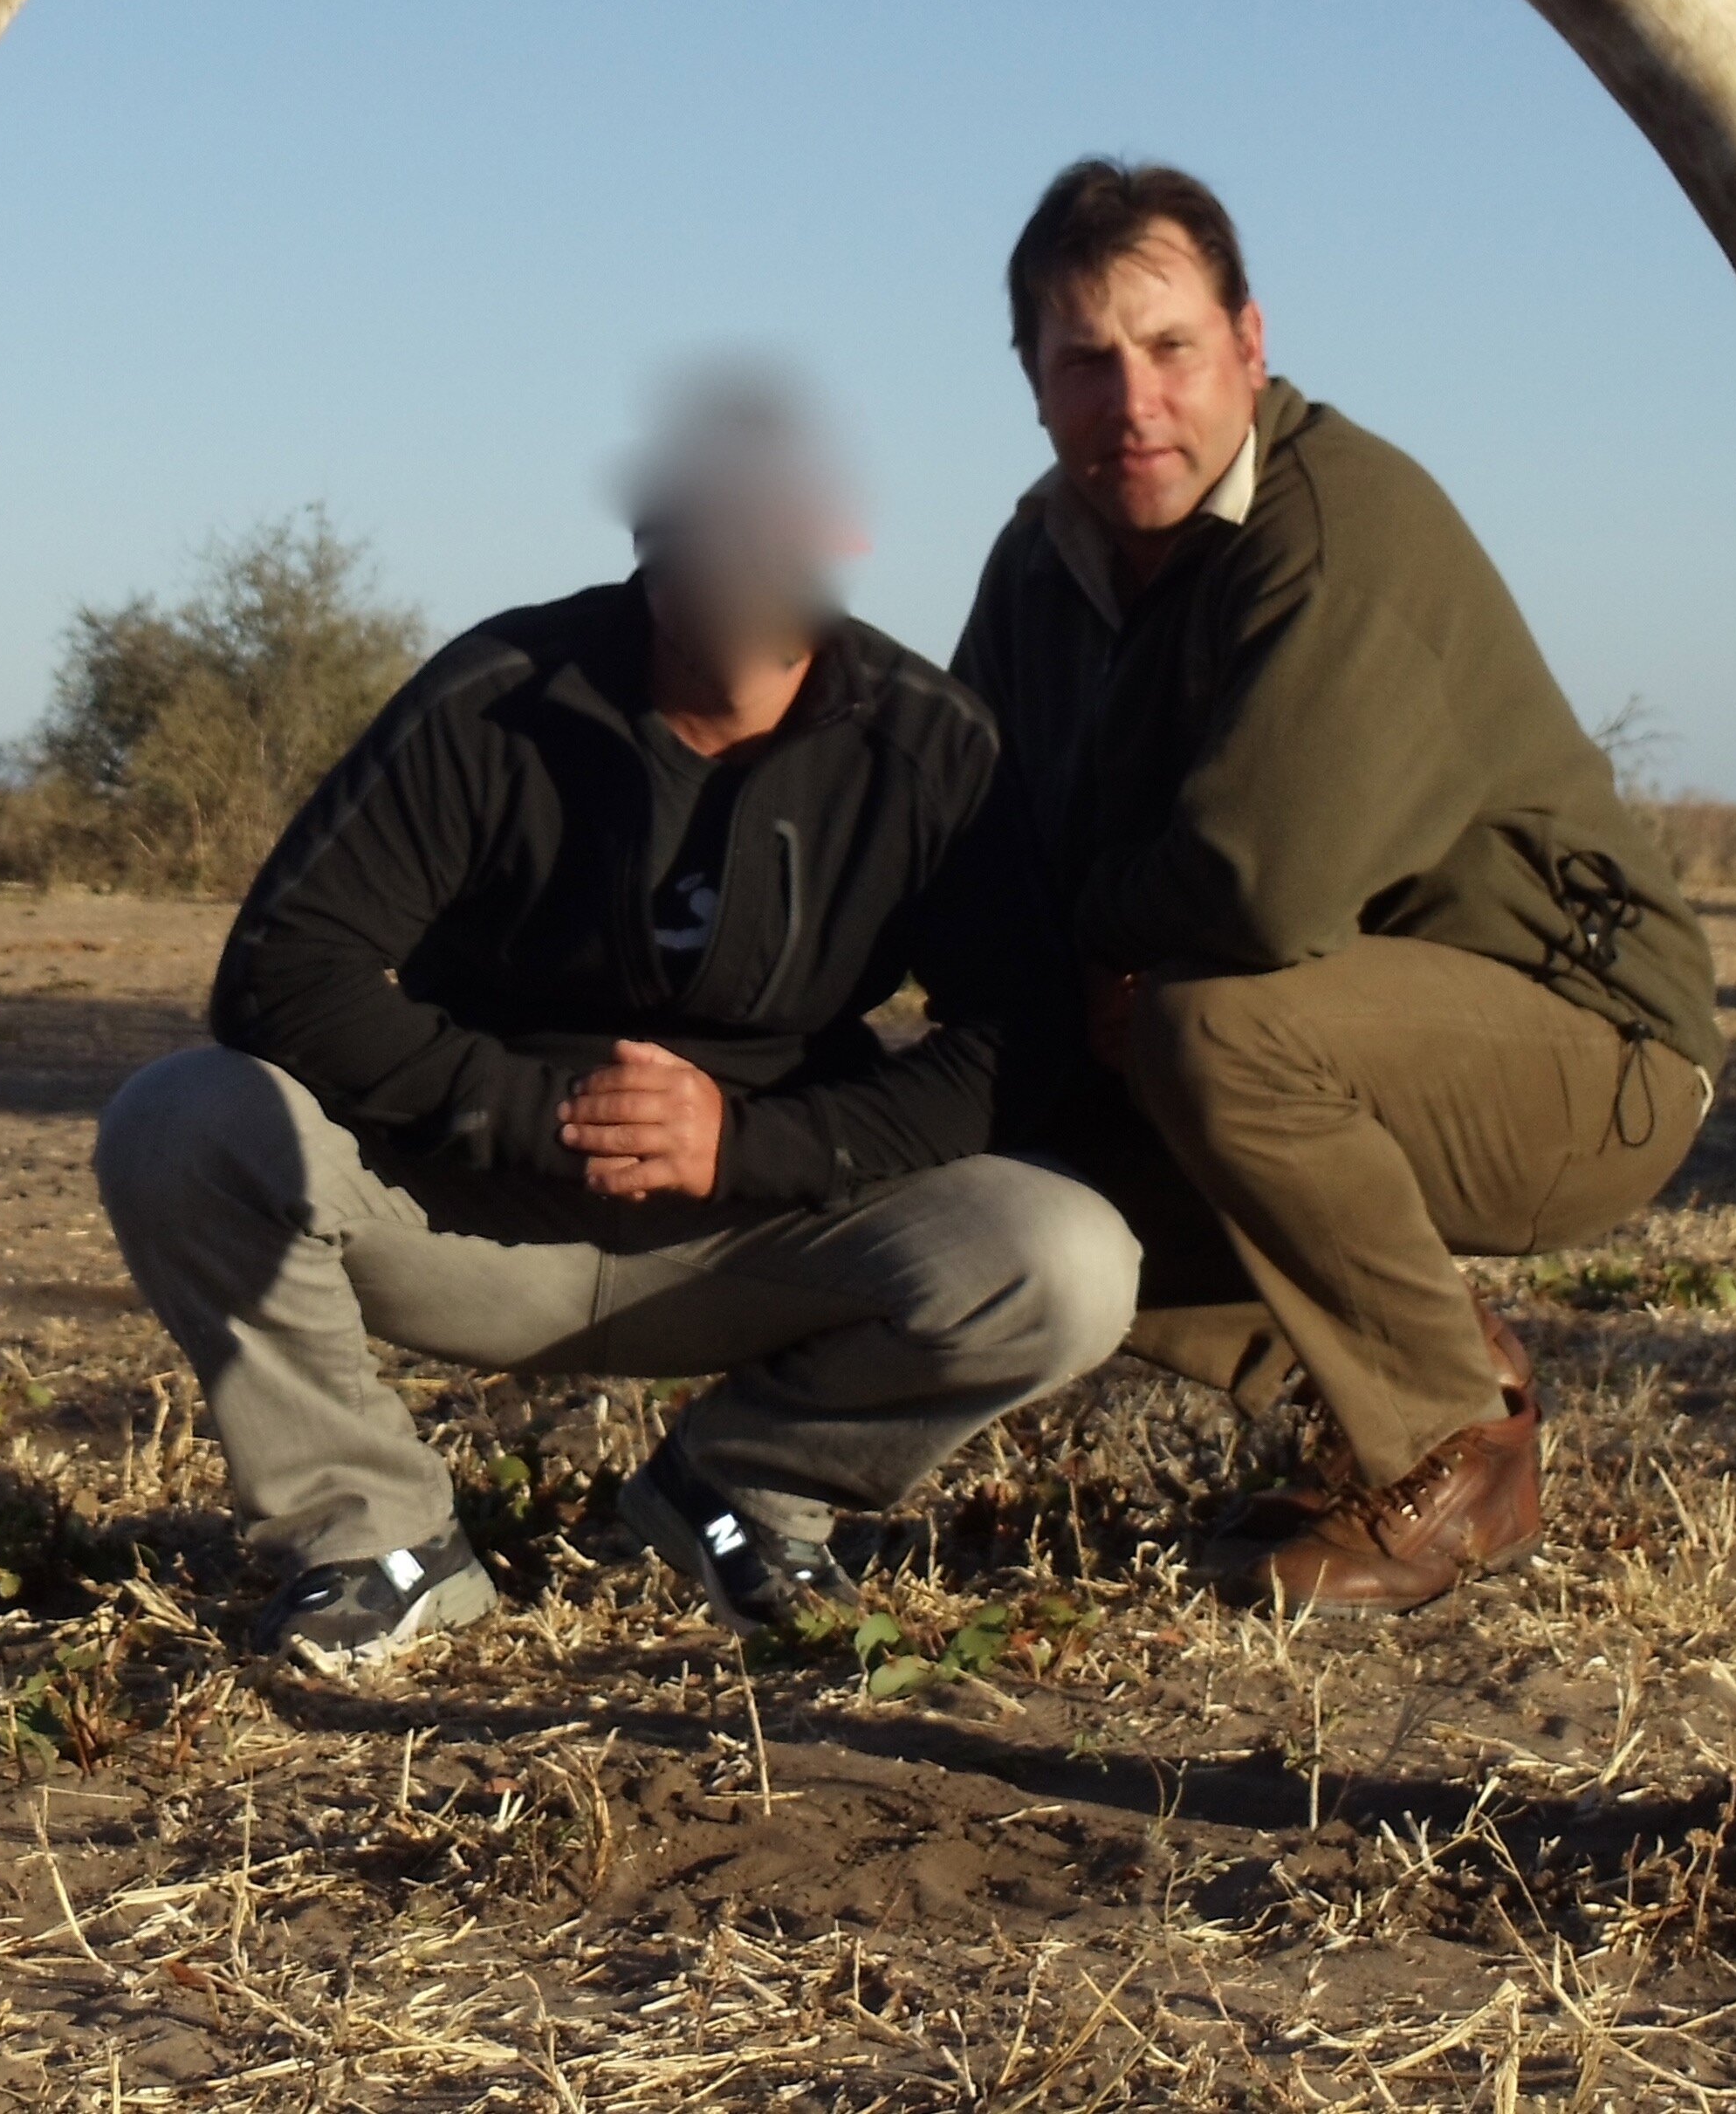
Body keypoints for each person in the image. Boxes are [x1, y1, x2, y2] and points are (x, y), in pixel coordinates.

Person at [97, 375, 1138, 1672]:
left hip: (752, 1236)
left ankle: (742, 1489)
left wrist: (742, 1145)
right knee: (180, 1123)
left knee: (1065, 1256)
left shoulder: (930, 748)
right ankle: (377, 1542)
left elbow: (1016, 1044)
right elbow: (281, 973)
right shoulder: (497, 693)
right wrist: (527, 1110)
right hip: (469, 1213)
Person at [952, 160, 1723, 1616]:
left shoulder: (1344, 526)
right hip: (1301, 1028)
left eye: (1172, 348)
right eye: (1086, 362)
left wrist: (1095, 947)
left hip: (1593, 1053)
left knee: (1212, 1027)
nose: (1135, 402)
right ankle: (1418, 1357)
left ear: (1249, 344)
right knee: (974, 1106)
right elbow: (965, 837)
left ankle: (1451, 1451)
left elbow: (1261, 891)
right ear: (1034, 384)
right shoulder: (1032, 563)